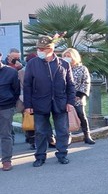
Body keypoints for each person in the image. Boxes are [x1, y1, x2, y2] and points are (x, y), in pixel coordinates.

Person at [23, 35, 75, 167]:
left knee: (62, 130)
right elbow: (27, 85)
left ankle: (62, 154)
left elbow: (70, 85)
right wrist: (28, 105)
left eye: (43, 49)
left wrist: (70, 102)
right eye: (38, 48)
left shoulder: (64, 64)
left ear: (51, 49)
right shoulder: (32, 64)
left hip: (60, 102)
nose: (39, 51)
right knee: (40, 131)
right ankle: (40, 157)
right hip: (39, 103)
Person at [62, 48, 95, 144]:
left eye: (69, 56)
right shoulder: (61, 68)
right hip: (64, 97)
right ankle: (67, 136)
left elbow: (86, 82)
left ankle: (87, 135)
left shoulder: (82, 68)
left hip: (77, 97)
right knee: (65, 117)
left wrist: (79, 94)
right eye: (65, 56)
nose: (66, 58)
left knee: (81, 115)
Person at [0, 52, 21, 171]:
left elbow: (16, 90)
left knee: (5, 135)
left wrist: (11, 103)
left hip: (6, 108)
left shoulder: (11, 72)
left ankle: (6, 160)